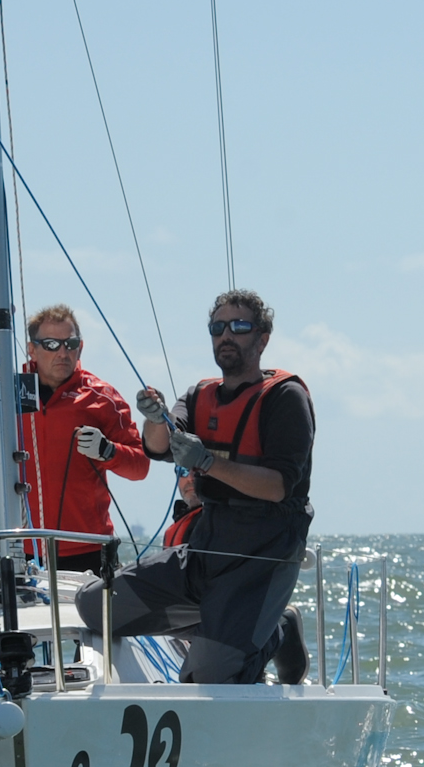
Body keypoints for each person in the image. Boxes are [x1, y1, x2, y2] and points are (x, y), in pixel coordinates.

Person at [76, 289, 312, 684]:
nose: (226, 335)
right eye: (217, 328)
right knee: (94, 606)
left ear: (262, 339)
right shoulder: (199, 395)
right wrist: (155, 417)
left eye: (239, 326)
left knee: (205, 678)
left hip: (261, 557)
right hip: (208, 546)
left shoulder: (285, 398)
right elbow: (159, 445)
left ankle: (270, 631)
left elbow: (278, 487)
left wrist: (208, 462)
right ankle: (254, 627)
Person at [20, 305, 149, 573]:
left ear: (80, 347)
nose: (63, 353)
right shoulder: (6, 398)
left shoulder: (102, 397)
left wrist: (108, 451)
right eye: (51, 344)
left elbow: (140, 467)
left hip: (88, 549)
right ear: (32, 349)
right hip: (20, 547)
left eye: (70, 344)